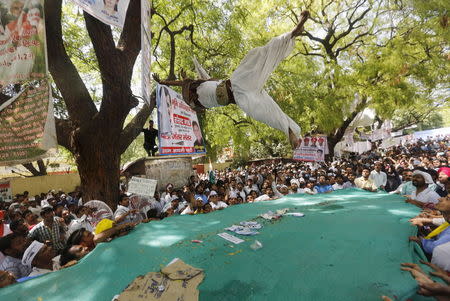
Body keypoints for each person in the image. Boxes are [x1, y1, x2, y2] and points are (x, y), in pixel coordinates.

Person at [153, 10, 311, 148]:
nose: (190, 88)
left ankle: (292, 32)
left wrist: (167, 81)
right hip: (243, 96)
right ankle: (291, 132)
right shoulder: (197, 103)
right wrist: (166, 82)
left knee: (260, 54)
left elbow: (195, 78)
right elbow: (184, 84)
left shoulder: (204, 85)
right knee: (268, 111)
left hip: (238, 83)